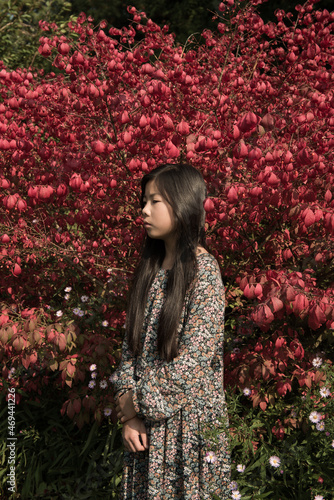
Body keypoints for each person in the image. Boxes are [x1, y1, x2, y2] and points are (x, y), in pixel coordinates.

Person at [112, 163, 230, 499]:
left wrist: (137, 402)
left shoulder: (204, 273)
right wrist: (128, 412)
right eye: (143, 202)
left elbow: (193, 363)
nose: (144, 211)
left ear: (183, 203)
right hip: (145, 431)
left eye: (154, 201)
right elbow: (129, 351)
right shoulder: (148, 270)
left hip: (187, 432)